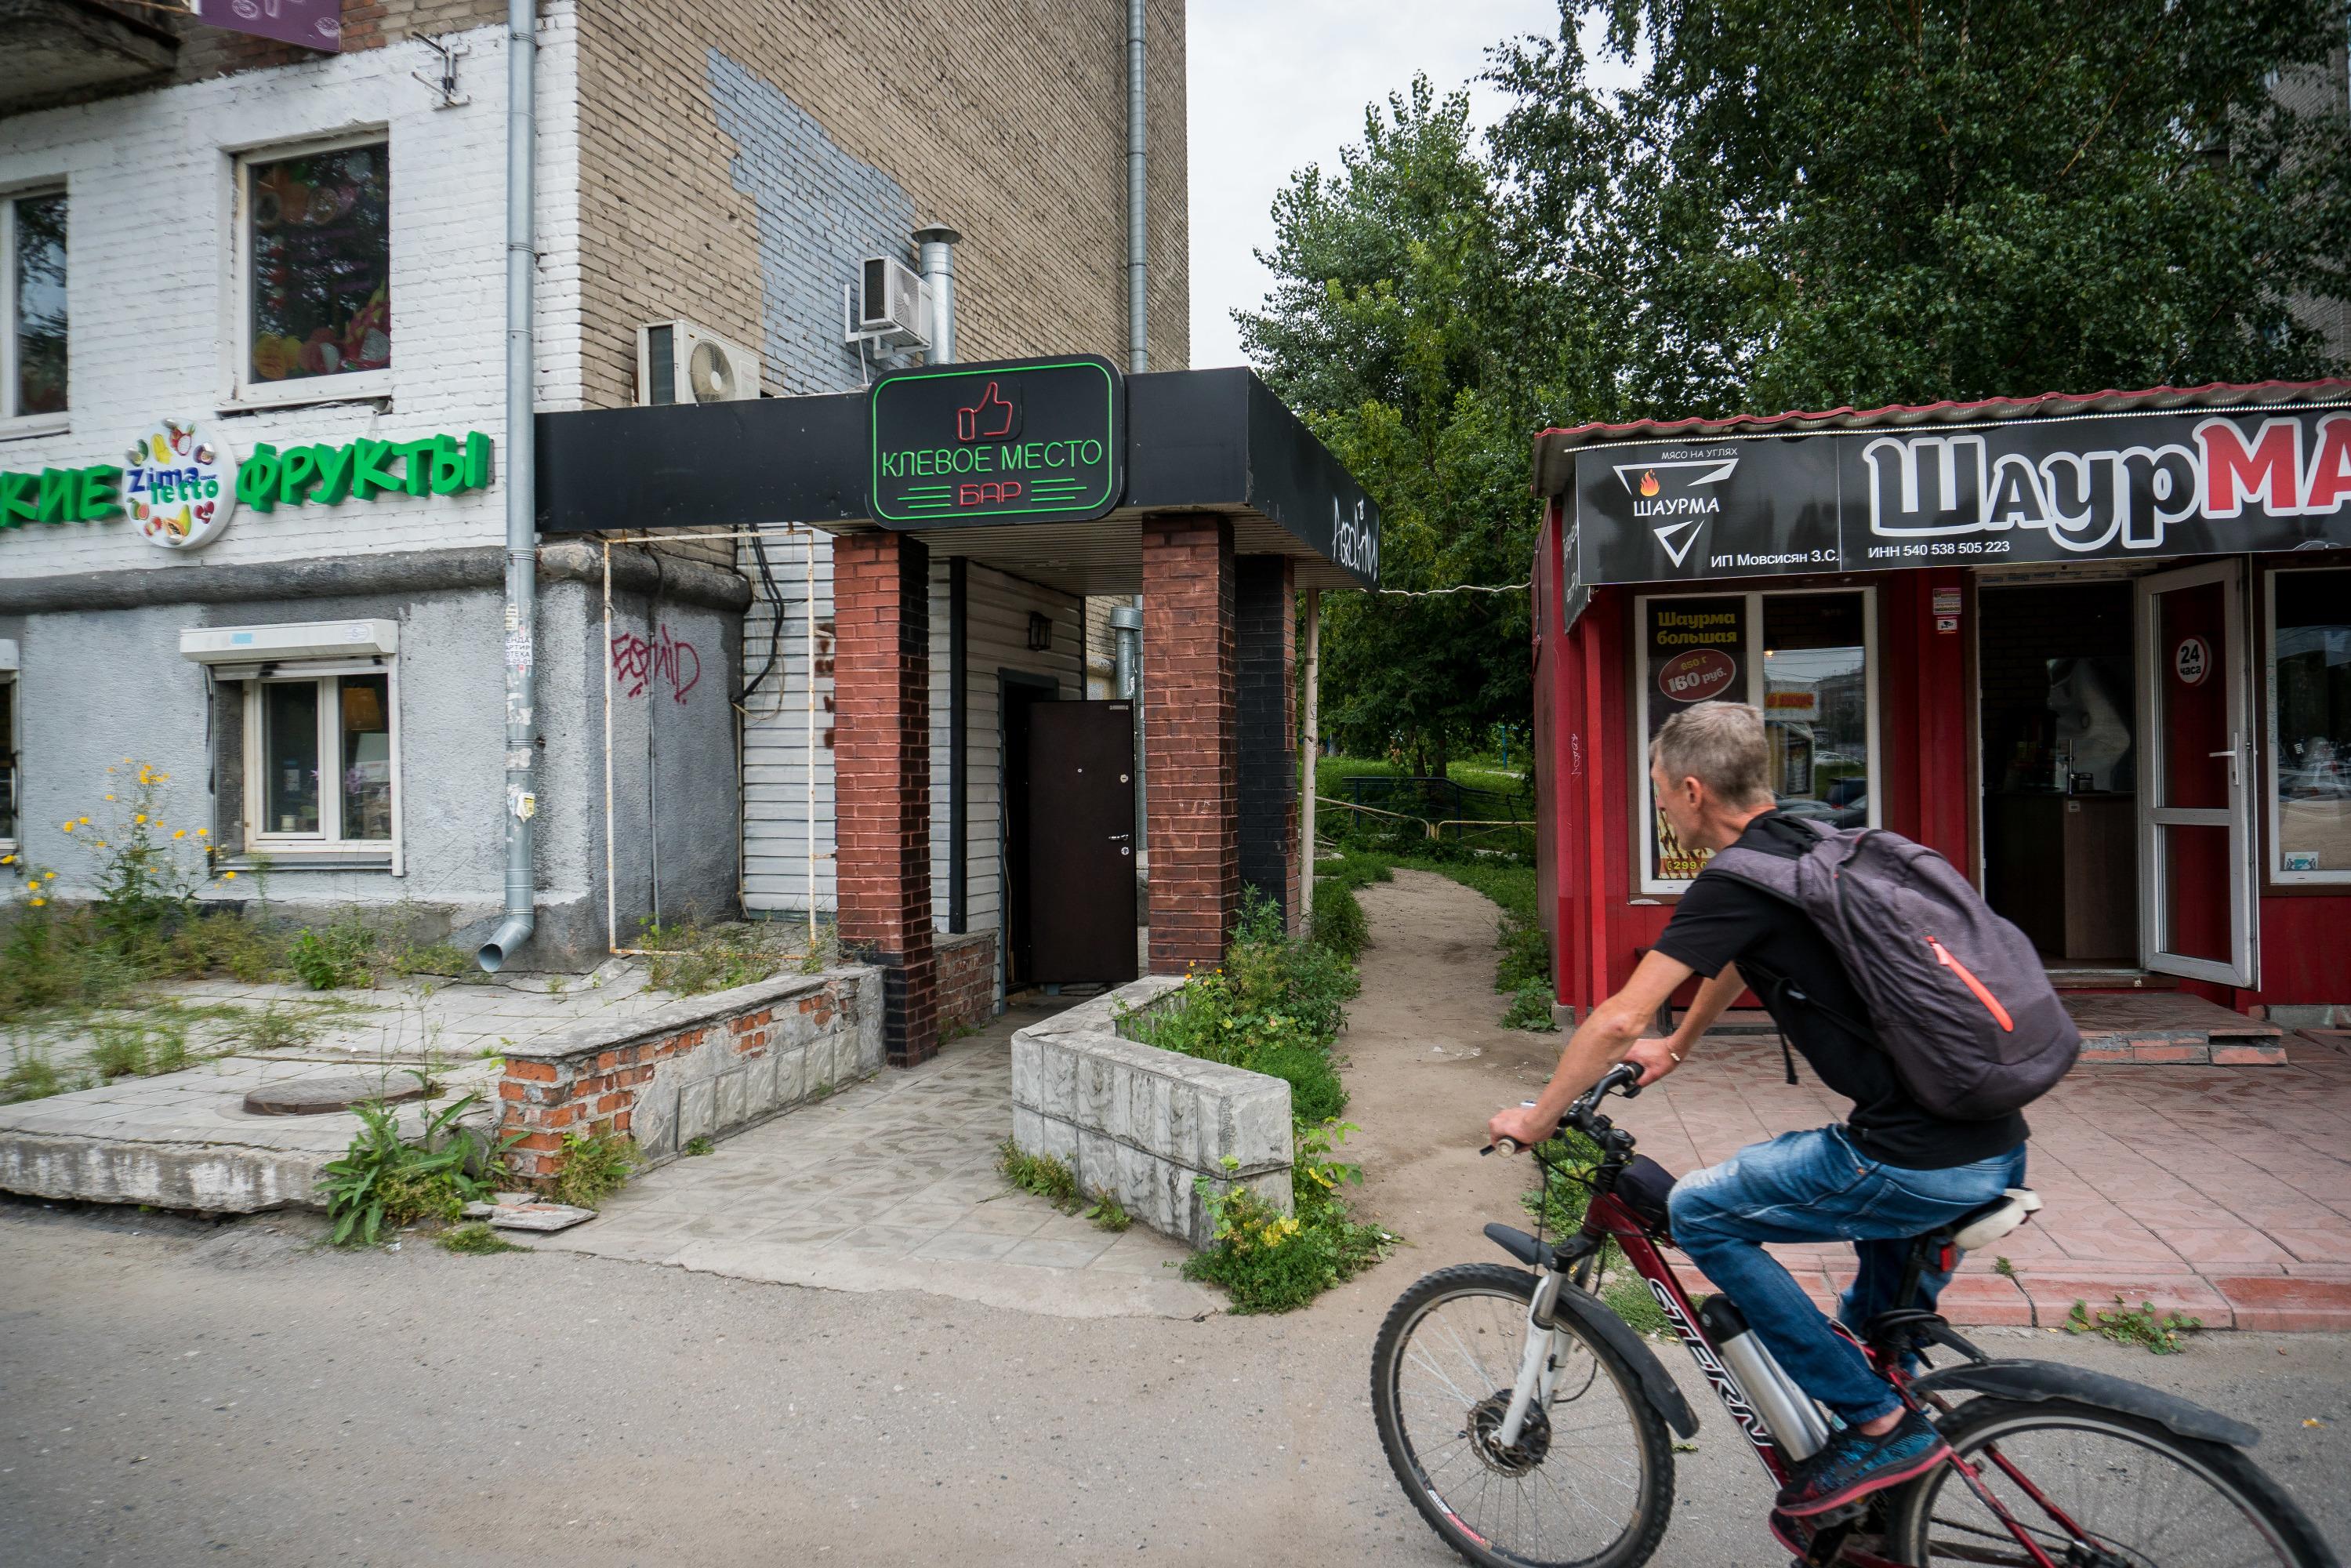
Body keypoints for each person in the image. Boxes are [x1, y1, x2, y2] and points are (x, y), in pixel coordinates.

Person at [1487, 700, 2028, 1525]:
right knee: (1863, 1337)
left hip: (1915, 1158)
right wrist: (1683, 1042)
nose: (1661, 807)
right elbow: (1745, 956)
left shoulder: (1732, 876)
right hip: (1990, 1137)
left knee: (1701, 1210)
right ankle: (1891, 1497)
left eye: (1661, 791)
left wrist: (1536, 1115)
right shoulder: (1811, 844)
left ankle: (1884, 1430)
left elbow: (1614, 1018)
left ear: (1694, 789)